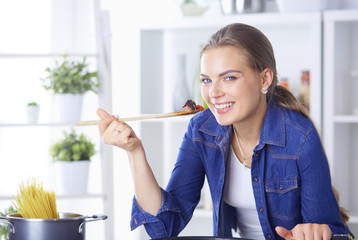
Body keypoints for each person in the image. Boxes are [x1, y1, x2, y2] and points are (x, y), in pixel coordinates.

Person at [96, 23, 351, 240]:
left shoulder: (300, 136)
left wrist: (316, 233)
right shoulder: (202, 129)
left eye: (229, 78)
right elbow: (164, 226)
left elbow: (334, 232)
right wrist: (134, 151)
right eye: (207, 80)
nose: (213, 93)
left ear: (265, 79)